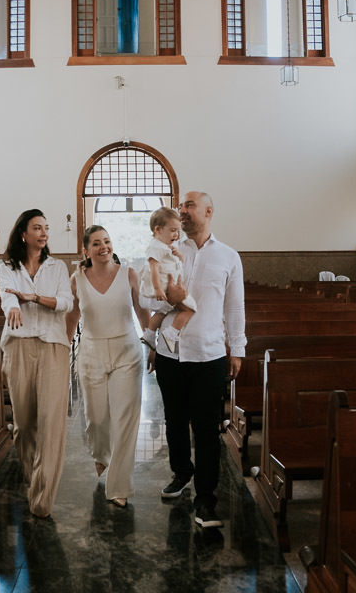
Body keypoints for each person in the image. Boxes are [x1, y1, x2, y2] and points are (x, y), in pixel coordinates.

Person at [151, 191, 245, 529]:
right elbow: (156, 301)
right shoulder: (168, 251)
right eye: (180, 208)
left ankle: (206, 498)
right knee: (174, 420)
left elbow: (234, 307)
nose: (183, 212)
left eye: (189, 206)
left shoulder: (228, 256)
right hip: (170, 351)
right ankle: (181, 473)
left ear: (209, 211)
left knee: (206, 429)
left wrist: (238, 349)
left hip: (208, 353)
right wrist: (168, 305)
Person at [65, 226, 151, 508]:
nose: (104, 247)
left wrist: (152, 343)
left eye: (107, 241)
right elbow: (72, 316)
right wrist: (64, 349)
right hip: (91, 351)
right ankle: (101, 453)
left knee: (126, 419)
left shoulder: (128, 273)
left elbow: (141, 310)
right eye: (97, 243)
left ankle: (119, 487)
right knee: (97, 418)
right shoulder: (77, 278)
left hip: (127, 351)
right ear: (86, 250)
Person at [0, 209, 73, 519]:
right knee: (25, 424)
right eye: (37, 228)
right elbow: (6, 296)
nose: (43, 233)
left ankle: (43, 498)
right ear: (23, 234)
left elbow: (66, 303)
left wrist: (35, 298)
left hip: (53, 345)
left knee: (51, 423)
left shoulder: (57, 267)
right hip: (19, 344)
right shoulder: (7, 267)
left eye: (46, 228)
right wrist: (15, 305)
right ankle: (33, 477)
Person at [139, 207, 197, 352]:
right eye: (173, 230)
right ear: (158, 229)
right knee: (190, 309)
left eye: (178, 231)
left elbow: (179, 263)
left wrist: (178, 255)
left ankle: (150, 335)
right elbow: (153, 268)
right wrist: (158, 289)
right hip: (164, 289)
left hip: (168, 288)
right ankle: (171, 333)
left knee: (161, 312)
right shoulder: (156, 247)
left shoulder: (165, 247)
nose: (177, 235)